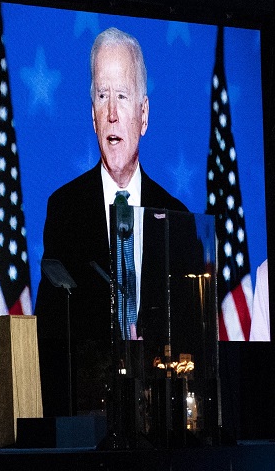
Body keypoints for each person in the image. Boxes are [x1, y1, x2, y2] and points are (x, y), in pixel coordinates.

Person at [35, 27, 201, 426]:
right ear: (91, 112)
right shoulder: (65, 209)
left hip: (164, 415)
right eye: (102, 95)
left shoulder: (176, 217)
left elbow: (193, 326)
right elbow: (51, 326)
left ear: (143, 114)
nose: (111, 112)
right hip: (90, 411)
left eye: (122, 97)